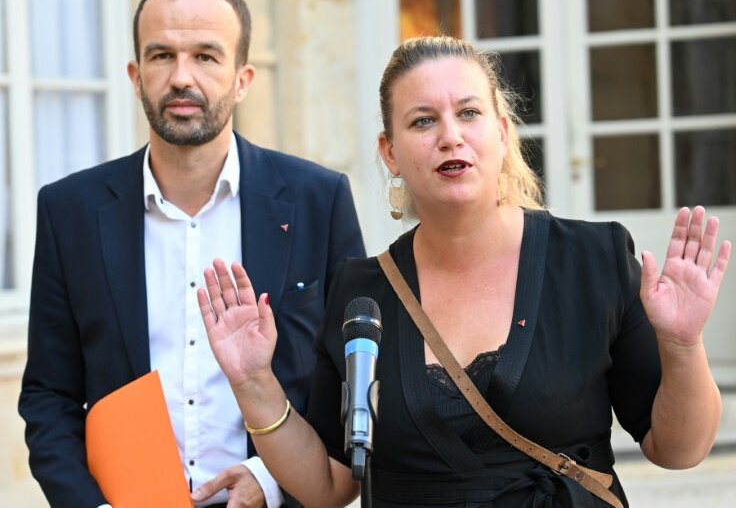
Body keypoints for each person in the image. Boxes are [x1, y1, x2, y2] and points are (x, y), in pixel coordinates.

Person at [196, 36, 732, 507]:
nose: (450, 136)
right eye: (423, 120)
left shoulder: (594, 259)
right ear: (391, 153)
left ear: (502, 133)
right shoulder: (361, 294)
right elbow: (329, 486)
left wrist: (682, 346)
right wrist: (252, 382)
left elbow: (678, 452)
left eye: (469, 113)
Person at [18, 0, 365, 508]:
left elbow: (349, 385)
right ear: (135, 75)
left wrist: (272, 479)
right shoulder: (70, 212)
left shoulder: (319, 201)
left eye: (206, 56)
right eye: (161, 56)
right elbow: (49, 397)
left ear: (243, 78)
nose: (182, 77)